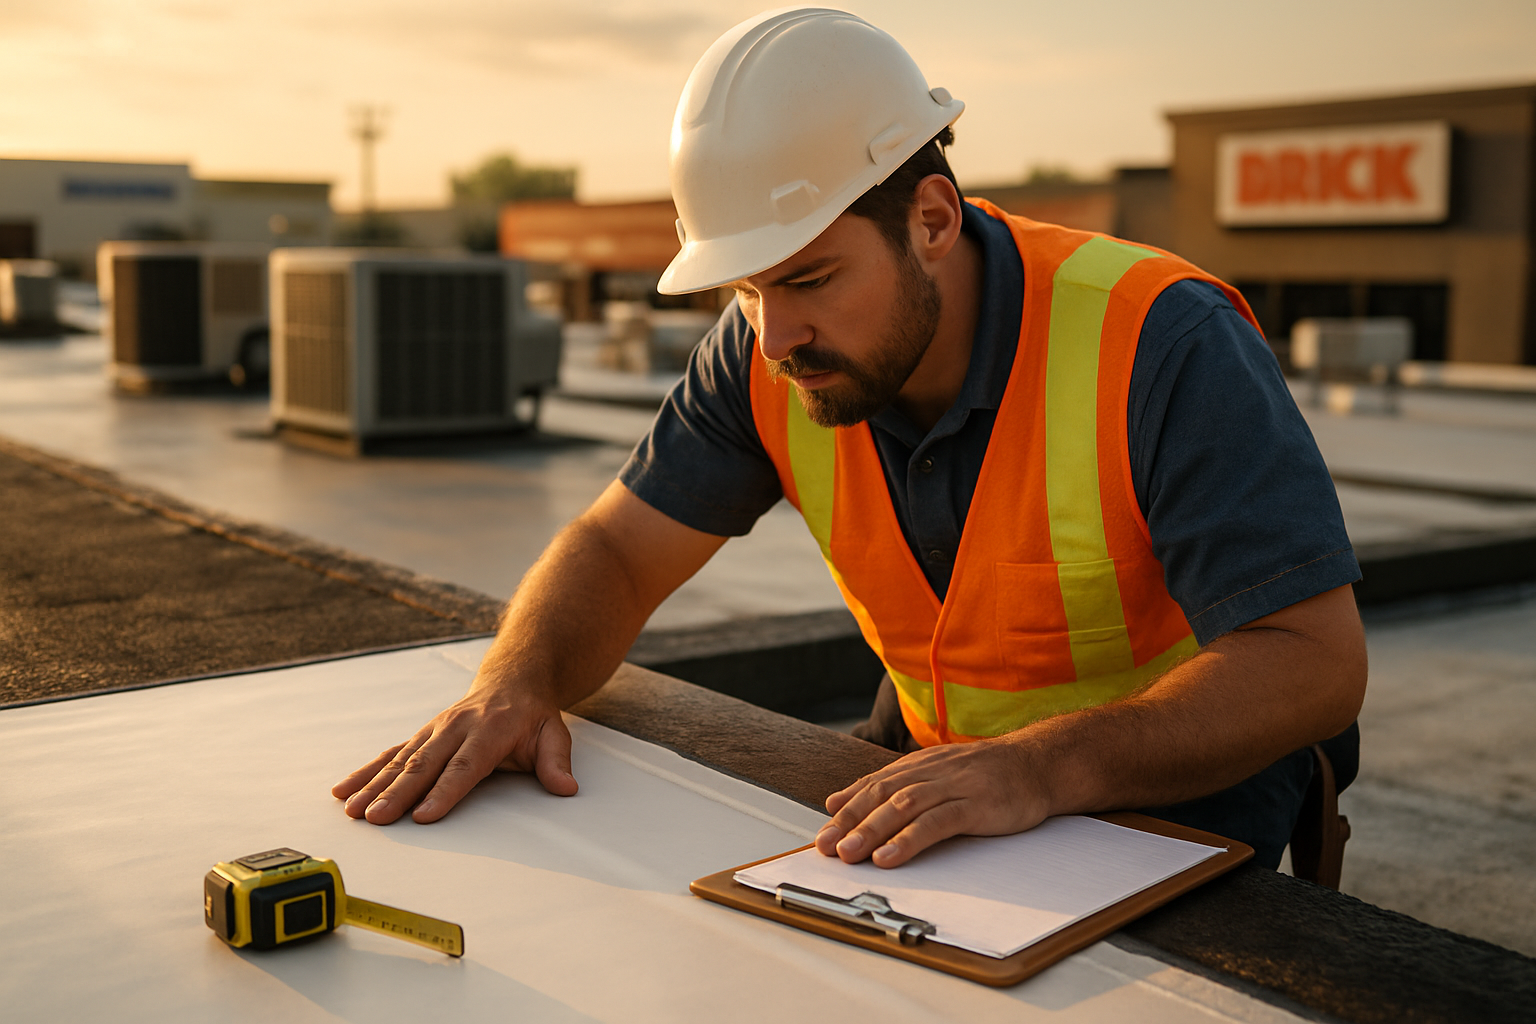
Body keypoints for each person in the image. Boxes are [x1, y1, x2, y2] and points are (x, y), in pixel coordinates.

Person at [333, 8, 1366, 870]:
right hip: (939, 770)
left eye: (810, 278)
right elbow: (616, 548)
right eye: (746, 289)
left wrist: (1046, 765)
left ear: (931, 220)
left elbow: (1313, 663)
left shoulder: (1161, 342)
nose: (773, 337)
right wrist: (515, 681)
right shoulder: (765, 351)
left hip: (1178, 798)